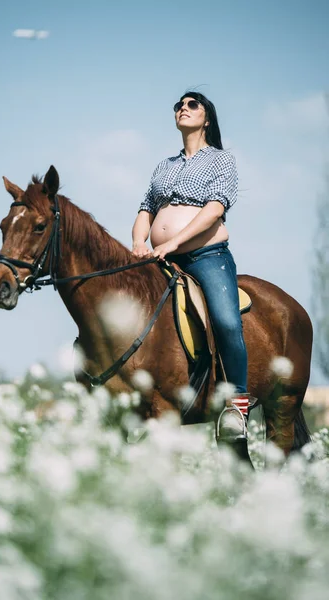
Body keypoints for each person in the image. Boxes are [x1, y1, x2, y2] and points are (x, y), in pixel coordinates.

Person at [131, 91, 250, 441]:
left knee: (227, 322)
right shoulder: (164, 165)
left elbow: (214, 210)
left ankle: (236, 407)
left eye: (192, 104)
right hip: (160, 257)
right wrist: (139, 243)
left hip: (206, 257)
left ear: (207, 118)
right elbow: (145, 209)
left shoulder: (221, 161)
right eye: (178, 105)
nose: (183, 108)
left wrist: (171, 242)